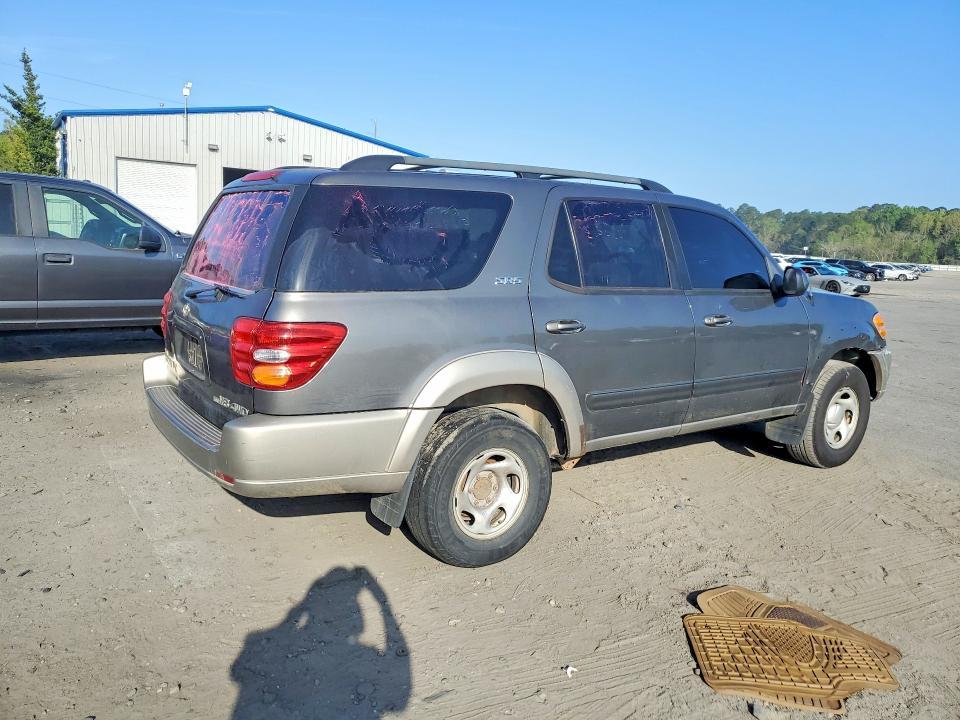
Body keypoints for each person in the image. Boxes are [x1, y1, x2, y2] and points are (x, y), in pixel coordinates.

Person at [230, 567, 410, 719]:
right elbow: (400, 700)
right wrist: (384, 607)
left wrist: (300, 609)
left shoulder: (257, 642)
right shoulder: (369, 656)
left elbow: (237, 672)